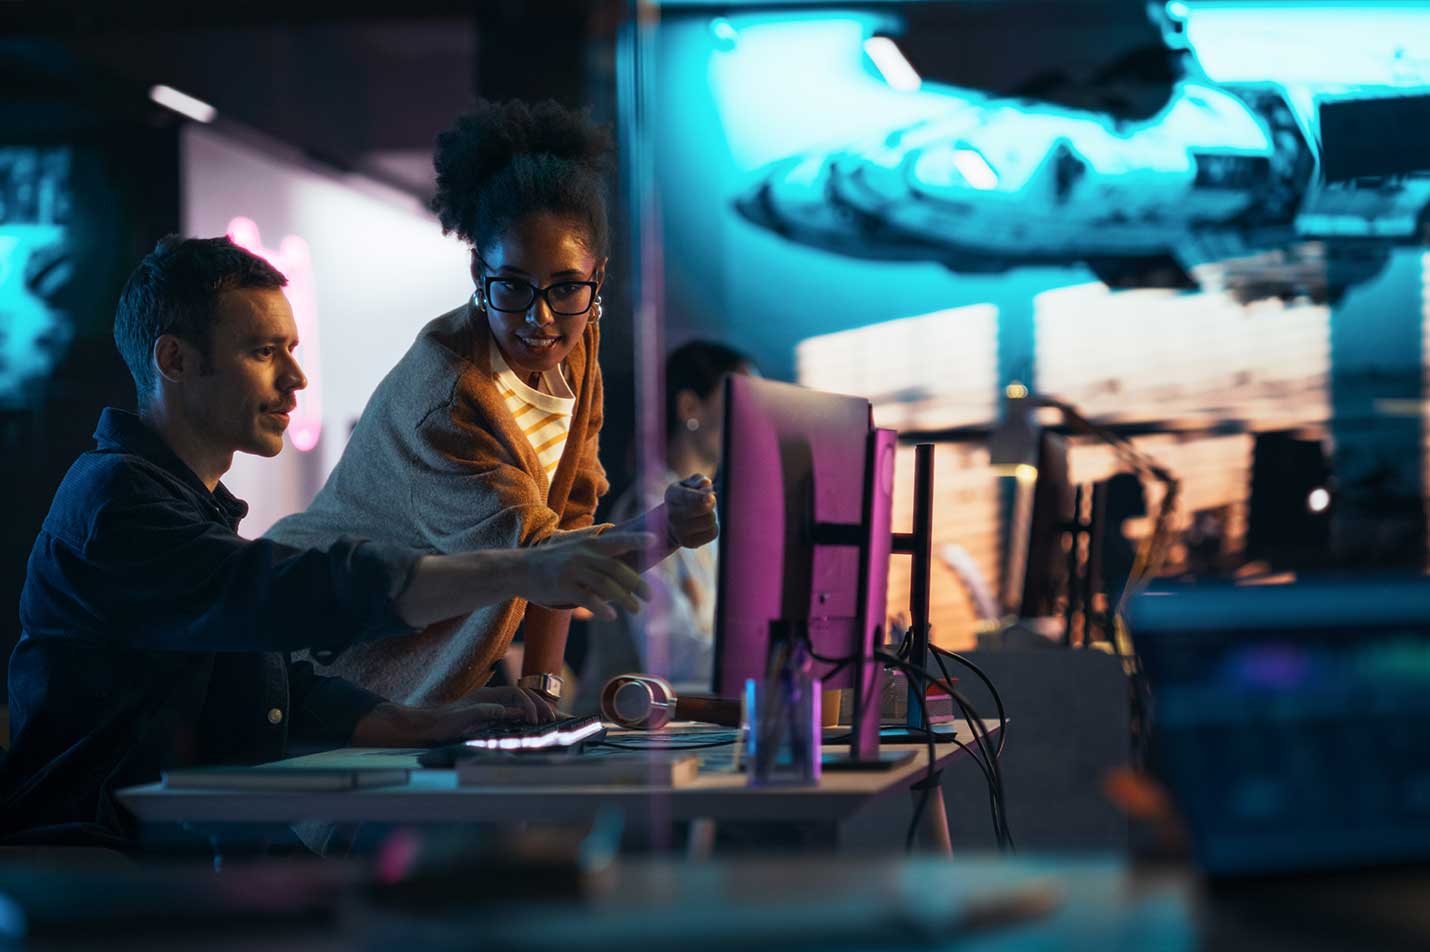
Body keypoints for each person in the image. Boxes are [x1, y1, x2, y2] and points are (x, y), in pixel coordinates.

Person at [0, 236, 652, 848]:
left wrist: (423, 721)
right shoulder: (115, 504)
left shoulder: (177, 505)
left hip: (173, 850)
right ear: (174, 360)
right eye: (263, 352)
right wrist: (522, 571)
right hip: (99, 866)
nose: (296, 379)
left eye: (291, 349)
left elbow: (277, 686)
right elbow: (295, 590)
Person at [266, 99, 717, 709]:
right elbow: (539, 559)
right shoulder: (447, 398)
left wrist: (543, 685)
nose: (541, 317)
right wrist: (667, 528)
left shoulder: (575, 343)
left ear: (597, 278)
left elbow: (570, 517)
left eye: (565, 287)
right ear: (480, 272)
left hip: (421, 651)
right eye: (514, 287)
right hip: (324, 649)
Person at [576, 342, 756, 703]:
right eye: (742, 402)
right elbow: (671, 660)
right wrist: (770, 658)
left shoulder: (703, 513)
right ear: (690, 407)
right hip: (621, 738)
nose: (753, 421)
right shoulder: (645, 513)